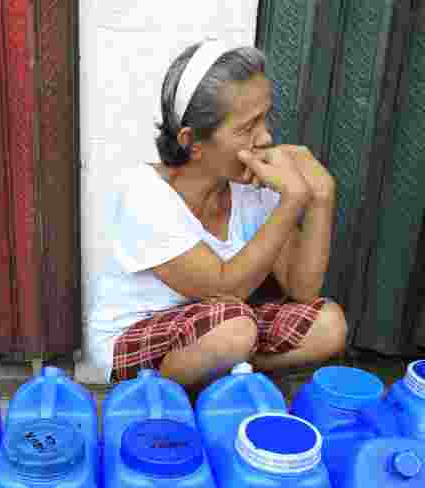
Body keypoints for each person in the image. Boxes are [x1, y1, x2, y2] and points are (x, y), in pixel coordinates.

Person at [85, 40, 347, 389]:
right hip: (137, 336)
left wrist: (321, 198)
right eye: (246, 127)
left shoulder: (249, 187)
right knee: (234, 326)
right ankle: (156, 396)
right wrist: (291, 200)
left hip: (223, 325)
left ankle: (218, 367)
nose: (265, 136)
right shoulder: (142, 193)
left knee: (329, 324)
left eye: (265, 118)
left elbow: (303, 288)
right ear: (191, 141)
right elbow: (226, 286)